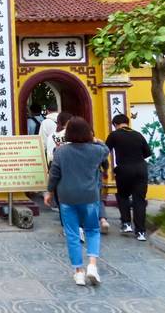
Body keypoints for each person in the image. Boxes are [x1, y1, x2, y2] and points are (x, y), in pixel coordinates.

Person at [45, 116, 109, 286]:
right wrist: (93, 138)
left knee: (73, 234)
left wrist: (49, 192)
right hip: (89, 196)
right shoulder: (96, 150)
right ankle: (93, 266)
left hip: (67, 197)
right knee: (92, 230)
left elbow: (55, 174)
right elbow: (106, 148)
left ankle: (78, 272)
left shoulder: (61, 151)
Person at [106, 114, 152, 241]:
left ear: (115, 124)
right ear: (127, 123)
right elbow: (147, 153)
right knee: (139, 200)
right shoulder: (138, 134)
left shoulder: (114, 135)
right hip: (141, 170)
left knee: (123, 196)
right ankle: (141, 232)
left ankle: (126, 223)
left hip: (124, 170)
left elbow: (105, 151)